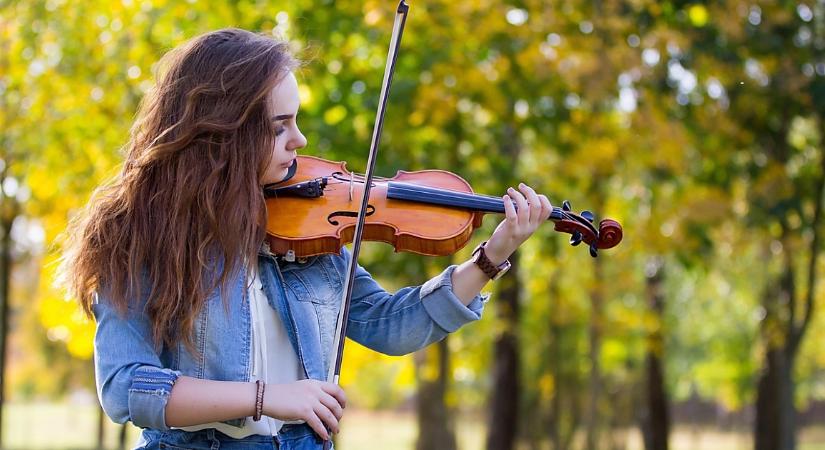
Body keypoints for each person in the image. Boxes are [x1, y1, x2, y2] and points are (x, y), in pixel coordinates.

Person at [57, 28, 552, 450]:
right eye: (279, 127)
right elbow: (125, 387)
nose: (300, 142)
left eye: (296, 120)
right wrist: (265, 396)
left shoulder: (309, 228)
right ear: (224, 134)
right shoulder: (137, 235)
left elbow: (390, 325)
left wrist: (493, 254)